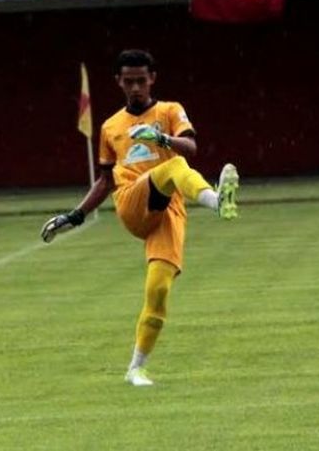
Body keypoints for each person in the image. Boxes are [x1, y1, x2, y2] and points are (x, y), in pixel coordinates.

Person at [40, 49, 240, 386]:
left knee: (158, 291)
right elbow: (105, 180)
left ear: (152, 80)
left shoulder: (169, 111)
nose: (135, 88)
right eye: (129, 81)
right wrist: (74, 217)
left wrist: (161, 137)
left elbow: (191, 147)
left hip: (167, 212)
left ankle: (136, 368)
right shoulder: (110, 127)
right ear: (118, 81)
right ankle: (217, 201)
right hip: (132, 201)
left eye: (141, 81)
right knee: (174, 167)